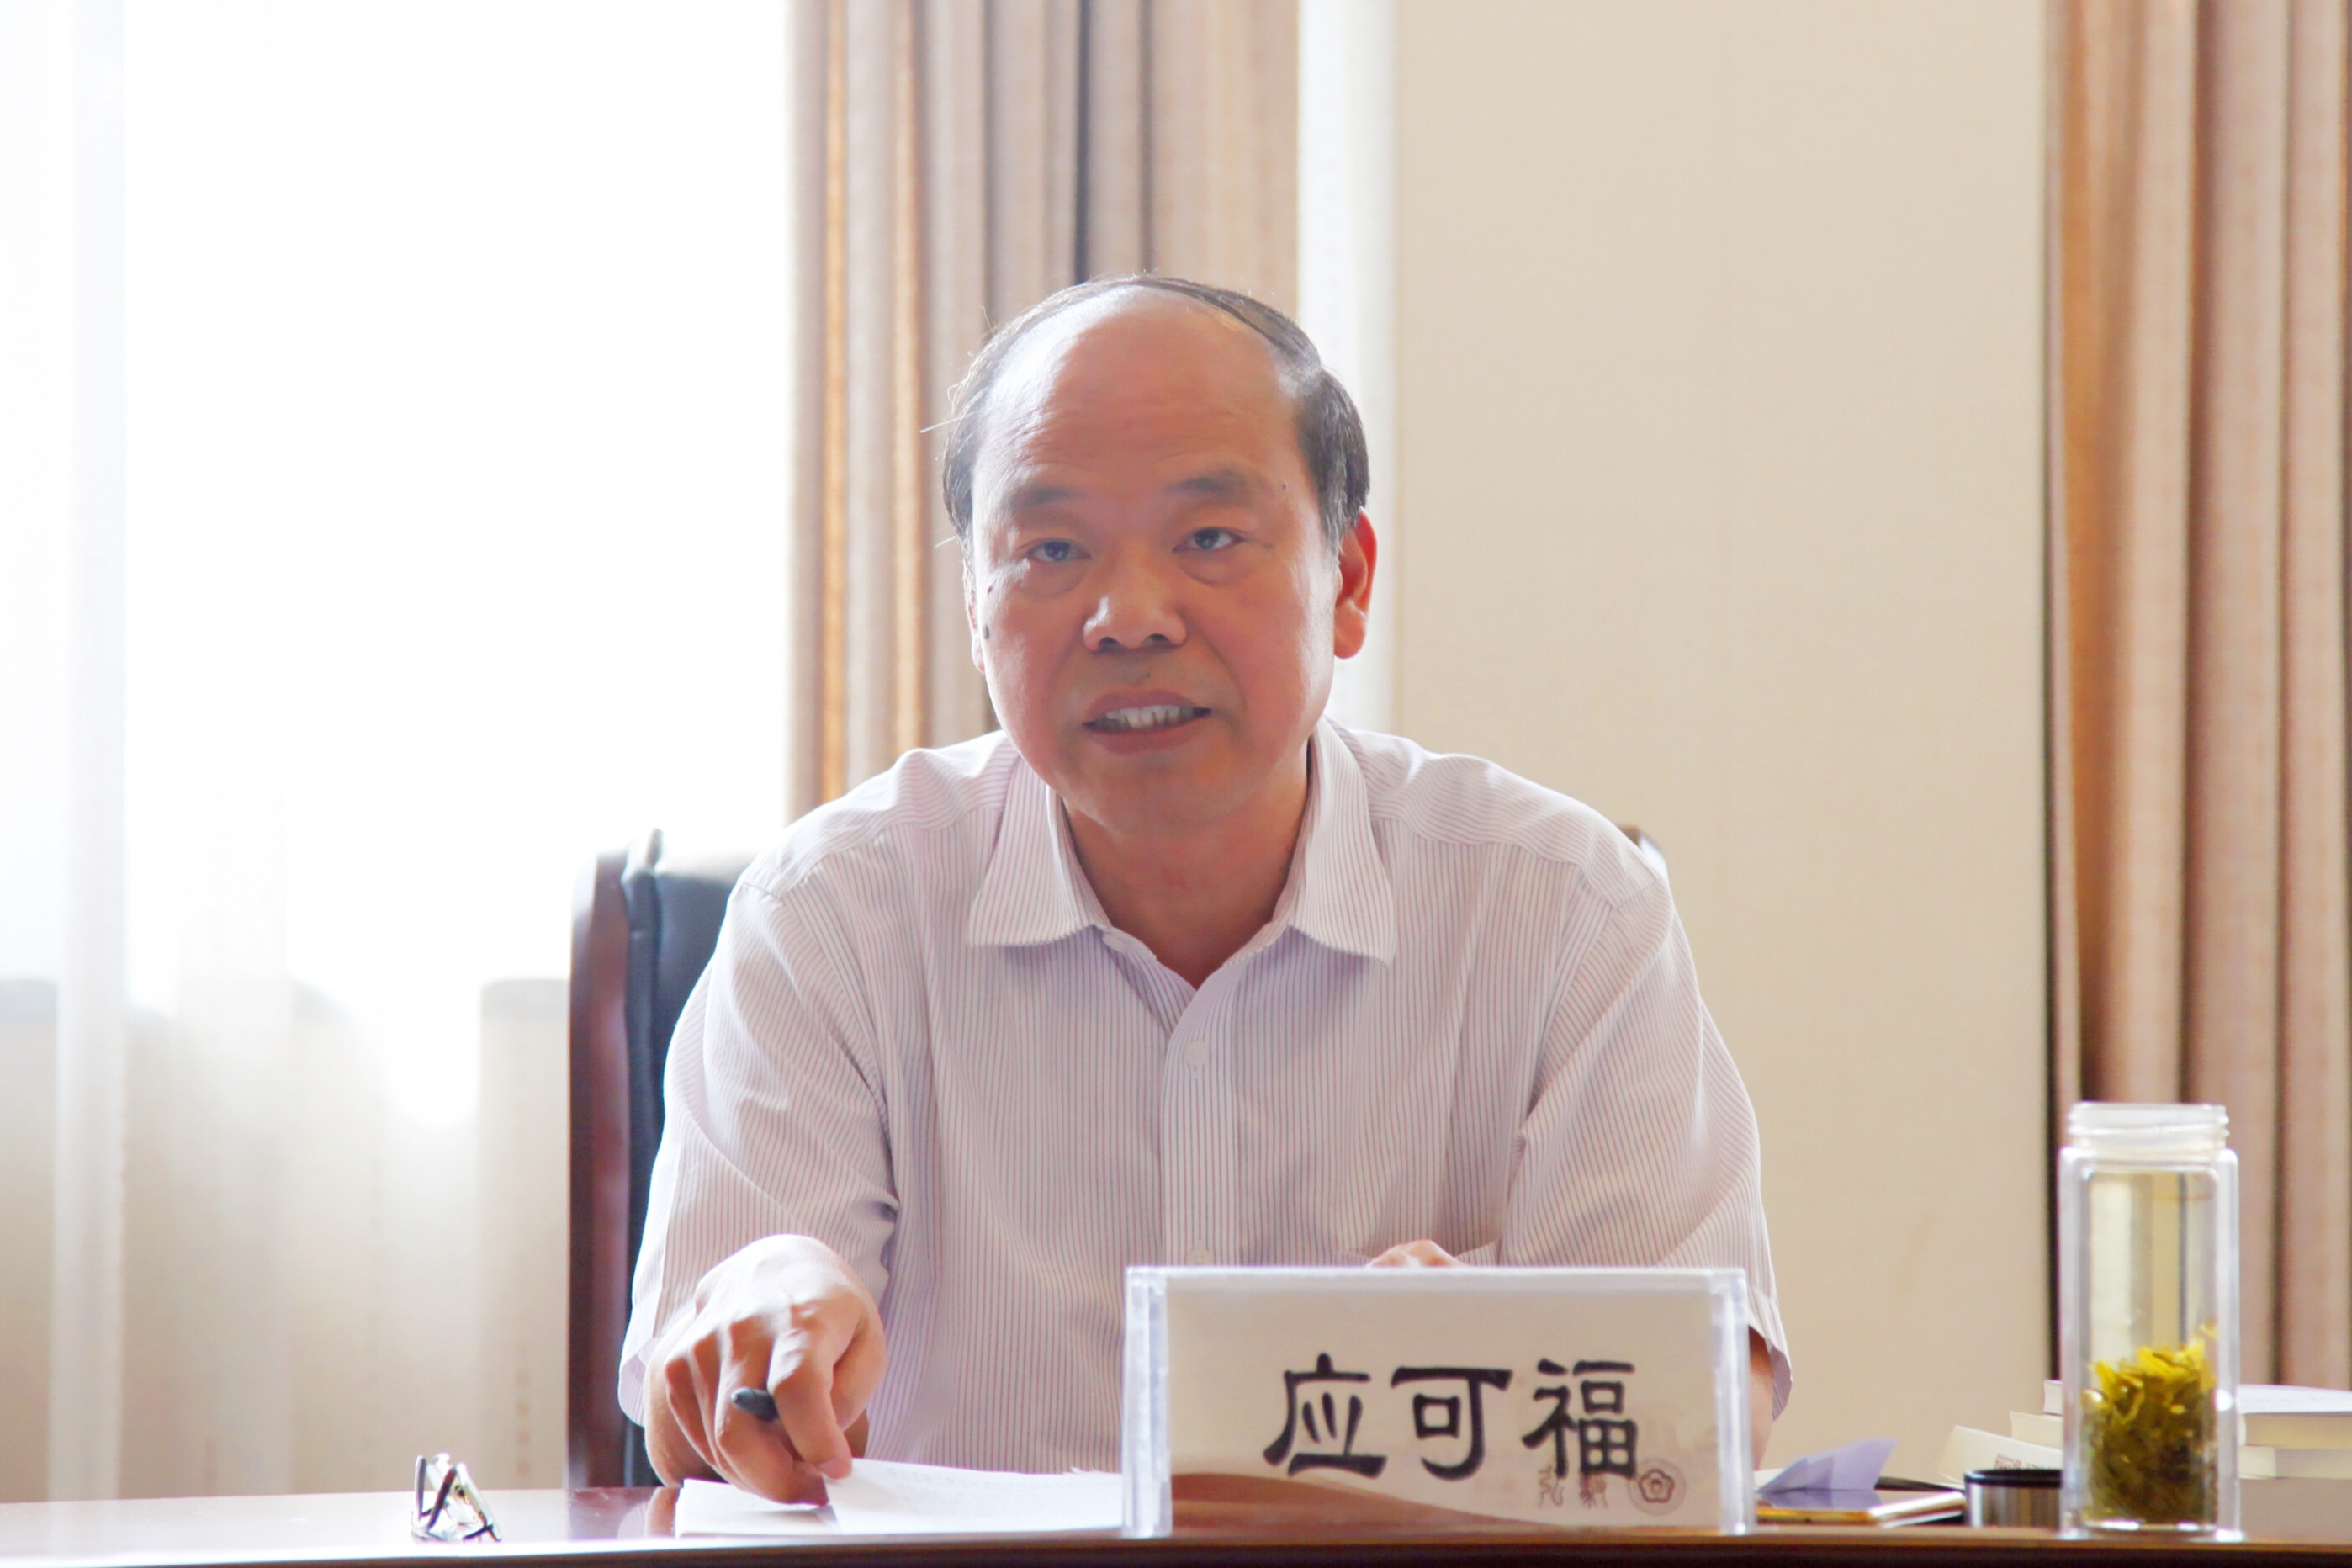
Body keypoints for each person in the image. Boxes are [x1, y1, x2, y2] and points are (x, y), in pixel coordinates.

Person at [619, 277, 1789, 1503]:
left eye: (1211, 539)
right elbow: (699, 1425)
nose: (1129, 617)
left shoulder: (1559, 910)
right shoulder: (830, 917)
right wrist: (759, 1325)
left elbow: (1701, 1409)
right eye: (1052, 550)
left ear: (1347, 581)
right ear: (974, 609)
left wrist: (1496, 1361)